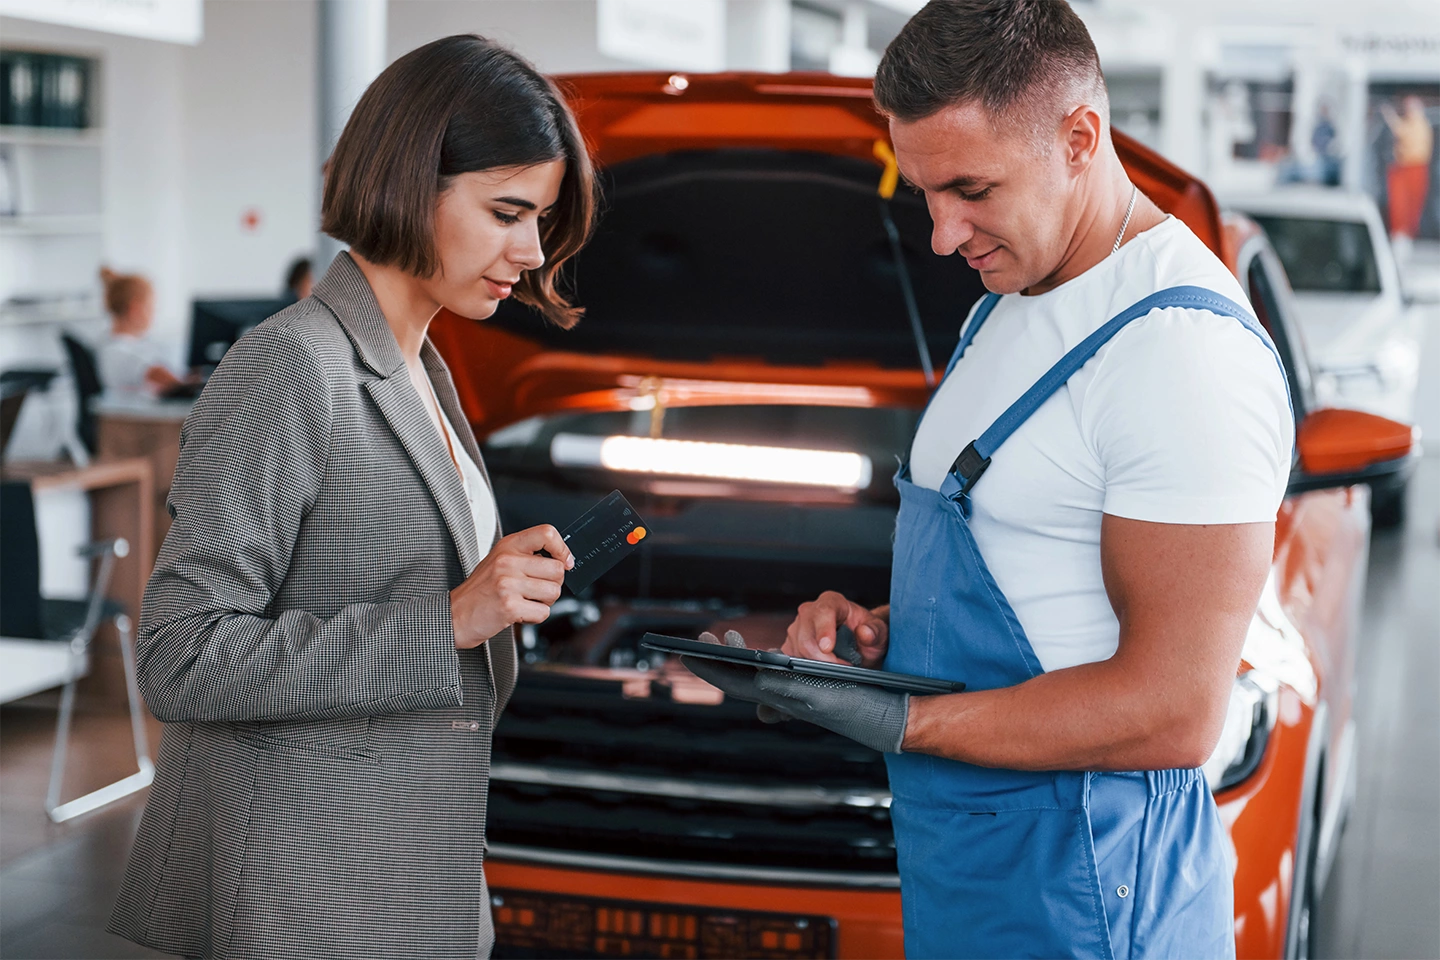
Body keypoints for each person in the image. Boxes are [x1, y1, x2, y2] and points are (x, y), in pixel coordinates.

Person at [685, 2, 1292, 958]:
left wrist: (905, 719)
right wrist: (883, 634)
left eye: (970, 188)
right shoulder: (1007, 302)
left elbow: (1174, 708)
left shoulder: (1180, 354)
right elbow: (1029, 572)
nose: (940, 234)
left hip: (1091, 885)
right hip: (977, 864)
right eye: (923, 192)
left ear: (1080, 137)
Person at [108, 35, 596, 960]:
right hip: (308, 890)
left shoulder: (424, 367)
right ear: (413, 184)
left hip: (411, 865)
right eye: (506, 212)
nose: (531, 251)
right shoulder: (293, 364)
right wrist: (450, 618)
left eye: (540, 219)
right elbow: (180, 656)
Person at [95, 267, 192, 397]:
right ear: (135, 309)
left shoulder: (113, 342)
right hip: (130, 416)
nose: (154, 313)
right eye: (151, 307)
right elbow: (167, 379)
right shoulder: (118, 351)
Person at [1381, 95, 1434, 249]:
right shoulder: (1413, 123)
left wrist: (1390, 116)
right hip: (1404, 167)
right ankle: (1401, 234)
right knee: (1400, 203)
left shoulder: (1420, 124)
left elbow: (1401, 132)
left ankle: (1405, 236)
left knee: (1409, 204)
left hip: (1414, 168)